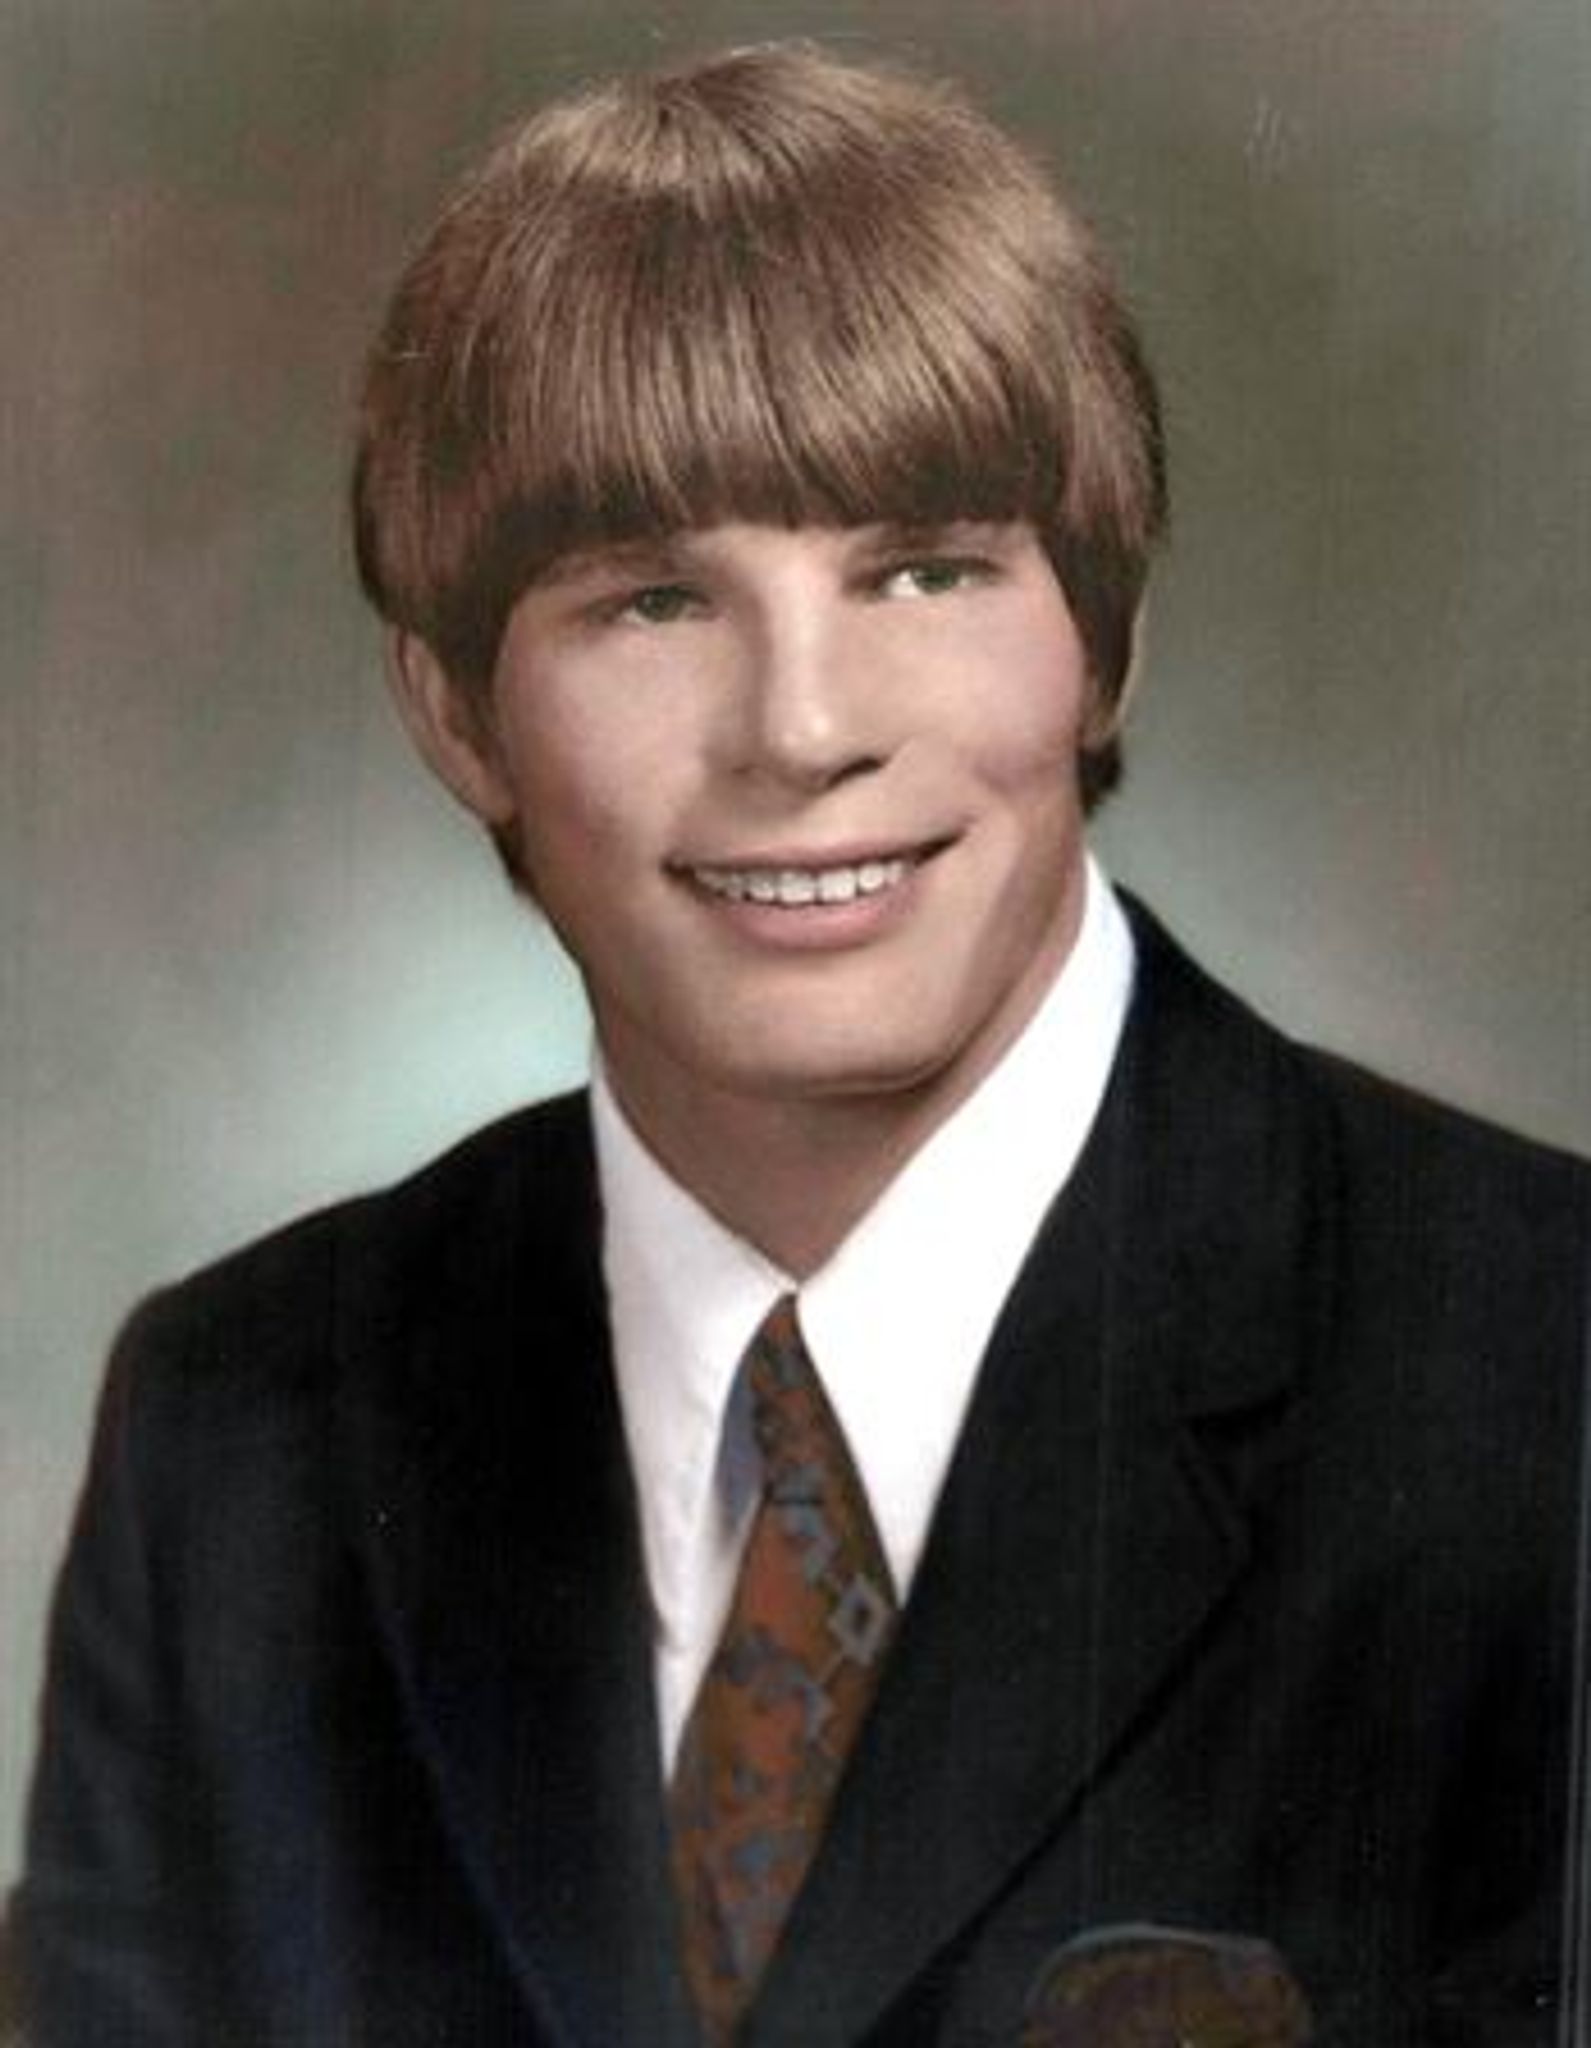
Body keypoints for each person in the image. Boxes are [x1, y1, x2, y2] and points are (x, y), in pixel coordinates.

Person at [8, 40, 1588, 2048]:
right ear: (457, 715)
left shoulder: (1544, 1373)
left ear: (1100, 644)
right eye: (653, 600)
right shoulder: (236, 1436)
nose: (802, 730)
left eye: (923, 569)